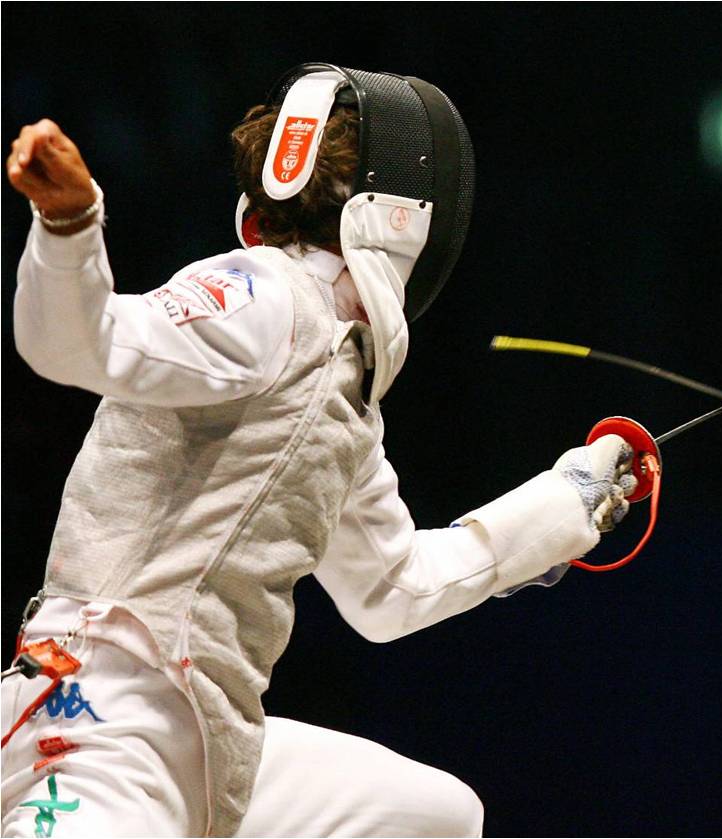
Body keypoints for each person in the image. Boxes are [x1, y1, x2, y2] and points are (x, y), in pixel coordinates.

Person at [1, 64, 639, 838]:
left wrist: (571, 496)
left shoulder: (343, 392)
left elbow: (393, 589)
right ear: (405, 222)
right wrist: (70, 225)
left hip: (209, 741)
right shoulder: (264, 296)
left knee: (435, 816)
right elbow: (76, 341)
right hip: (100, 731)